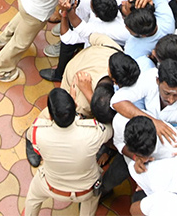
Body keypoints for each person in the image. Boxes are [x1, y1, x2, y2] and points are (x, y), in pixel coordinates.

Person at [23, 88, 113, 216]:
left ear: (50, 115)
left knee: (32, 198)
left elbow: (33, 142)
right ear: (75, 106)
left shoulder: (38, 132)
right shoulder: (93, 132)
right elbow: (109, 128)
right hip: (86, 191)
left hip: (51, 186)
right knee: (91, 202)